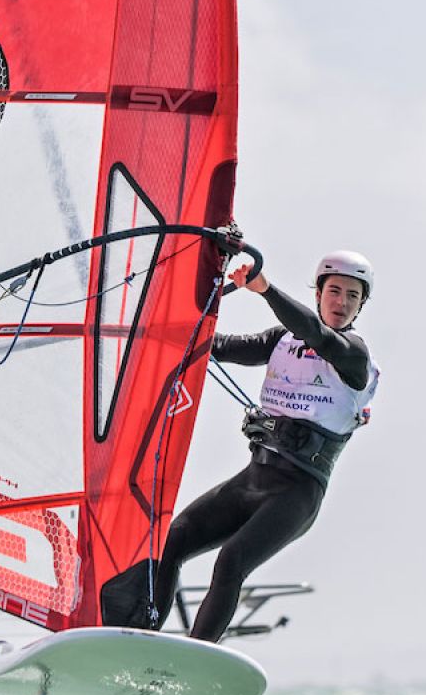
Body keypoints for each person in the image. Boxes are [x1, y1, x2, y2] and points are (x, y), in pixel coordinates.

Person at [148, 249, 380, 642]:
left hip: (297, 493)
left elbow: (318, 335)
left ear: (360, 305)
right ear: (319, 294)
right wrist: (160, 327)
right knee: (173, 541)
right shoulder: (281, 341)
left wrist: (265, 289)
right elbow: (218, 346)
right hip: (254, 478)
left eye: (352, 296)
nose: (342, 302)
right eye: (334, 291)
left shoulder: (354, 356)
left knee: (231, 560)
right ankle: (138, 635)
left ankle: (194, 655)